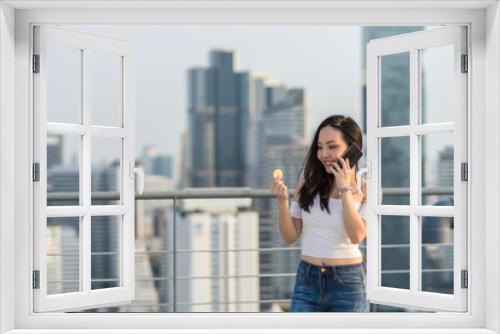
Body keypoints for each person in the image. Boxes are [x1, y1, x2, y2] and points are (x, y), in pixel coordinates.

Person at [270, 115, 368, 312]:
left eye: (332, 147)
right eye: (320, 147)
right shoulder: (309, 182)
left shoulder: (367, 187)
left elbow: (356, 235)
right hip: (307, 279)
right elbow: (290, 236)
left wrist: (344, 189)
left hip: (348, 284)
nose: (324, 154)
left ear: (353, 148)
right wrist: (282, 202)